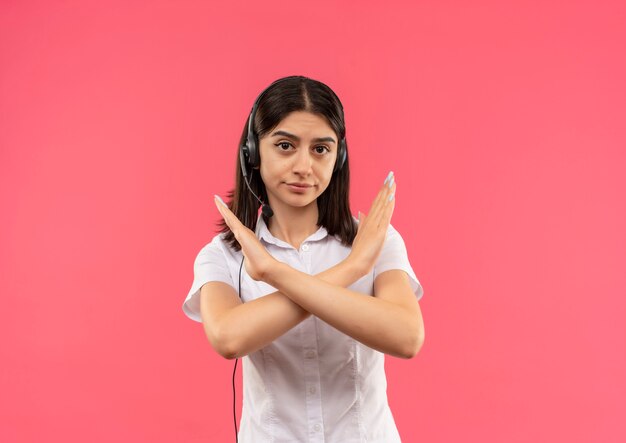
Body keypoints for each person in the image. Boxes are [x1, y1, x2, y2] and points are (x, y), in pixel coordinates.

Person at [182, 75, 425, 443]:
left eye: (320, 149)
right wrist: (350, 270)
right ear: (253, 151)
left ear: (338, 157)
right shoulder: (223, 256)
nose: (304, 166)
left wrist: (278, 275)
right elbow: (228, 337)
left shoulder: (376, 241)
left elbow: (407, 337)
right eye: (285, 146)